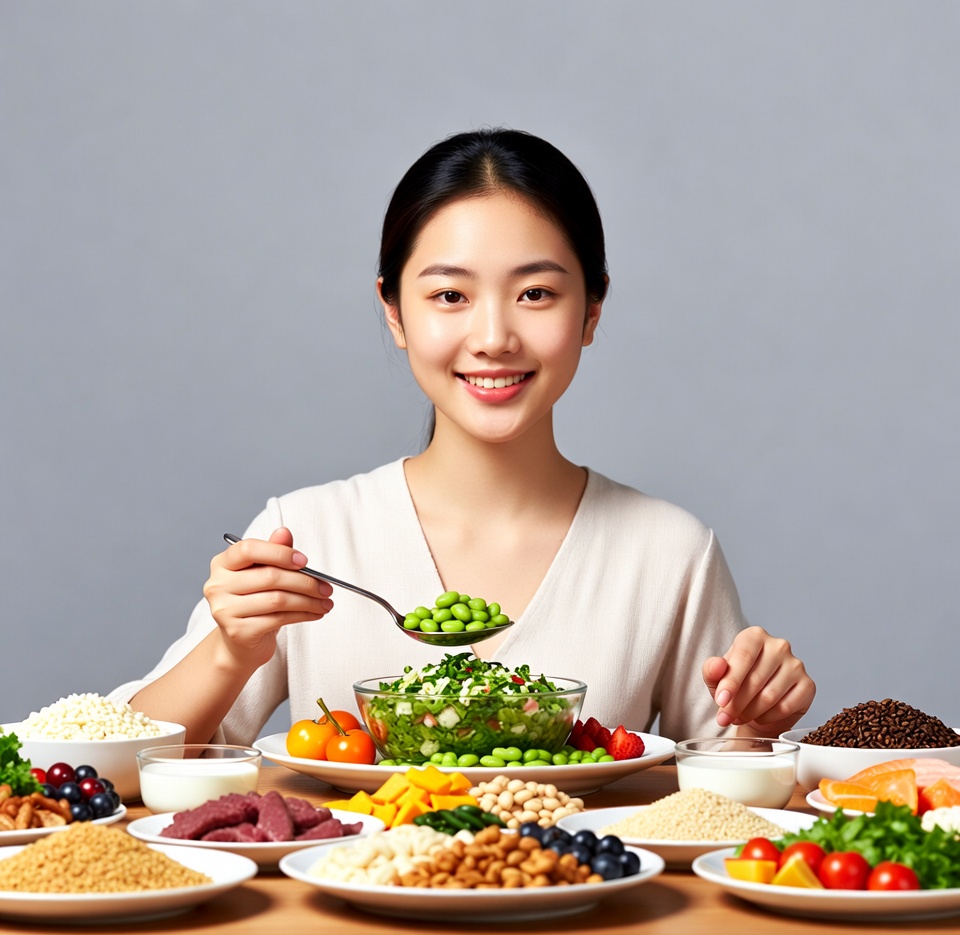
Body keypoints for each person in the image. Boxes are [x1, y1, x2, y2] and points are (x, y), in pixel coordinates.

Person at [111, 129, 815, 747]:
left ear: (592, 310)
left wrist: (756, 723)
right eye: (450, 295)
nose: (493, 337)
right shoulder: (307, 536)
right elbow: (120, 763)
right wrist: (231, 653)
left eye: (536, 293)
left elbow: (723, 805)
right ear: (394, 312)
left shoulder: (669, 552)